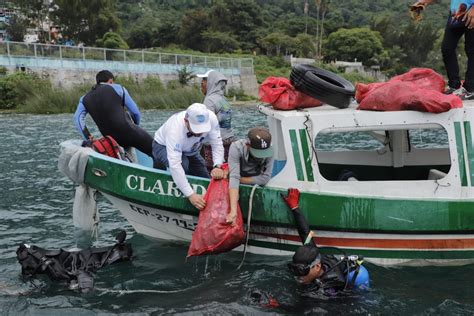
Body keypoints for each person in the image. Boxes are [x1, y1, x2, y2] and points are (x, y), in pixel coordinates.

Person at [281, 188, 370, 297]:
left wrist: (275, 306)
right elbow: (305, 233)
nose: (297, 275)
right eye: (293, 268)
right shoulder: (313, 254)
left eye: (301, 270)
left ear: (317, 267)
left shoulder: (328, 289)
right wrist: (294, 207)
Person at [152, 103, 225, 209]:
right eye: (197, 129)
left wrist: (218, 166)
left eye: (203, 129)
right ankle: (181, 194)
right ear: (186, 121)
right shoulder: (175, 129)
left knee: (205, 178)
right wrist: (191, 195)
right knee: (183, 165)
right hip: (162, 146)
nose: (200, 132)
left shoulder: (212, 118)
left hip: (191, 150)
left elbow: (217, 144)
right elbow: (175, 165)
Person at [74, 70, 154, 158]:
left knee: (125, 153)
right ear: (111, 81)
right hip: (129, 132)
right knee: (156, 151)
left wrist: (88, 138)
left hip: (111, 140)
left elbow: (77, 119)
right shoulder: (118, 88)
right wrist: (135, 127)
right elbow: (135, 112)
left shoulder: (84, 99)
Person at [410, 0, 474, 99]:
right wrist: (423, 1)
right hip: (456, 12)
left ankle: (471, 89)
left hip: (472, 12)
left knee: (471, 50)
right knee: (447, 48)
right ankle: (454, 85)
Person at [227, 127, 274, 224]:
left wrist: (240, 180)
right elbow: (234, 177)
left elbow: (265, 178)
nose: (261, 156)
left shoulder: (269, 150)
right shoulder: (236, 147)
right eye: (258, 153)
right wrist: (233, 211)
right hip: (238, 175)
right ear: (248, 145)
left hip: (253, 180)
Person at [197, 70, 234, 171]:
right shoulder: (223, 99)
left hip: (215, 142)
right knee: (224, 167)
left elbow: (205, 124)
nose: (202, 84)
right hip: (228, 139)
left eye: (204, 81)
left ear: (210, 83)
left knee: (212, 169)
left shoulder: (209, 100)